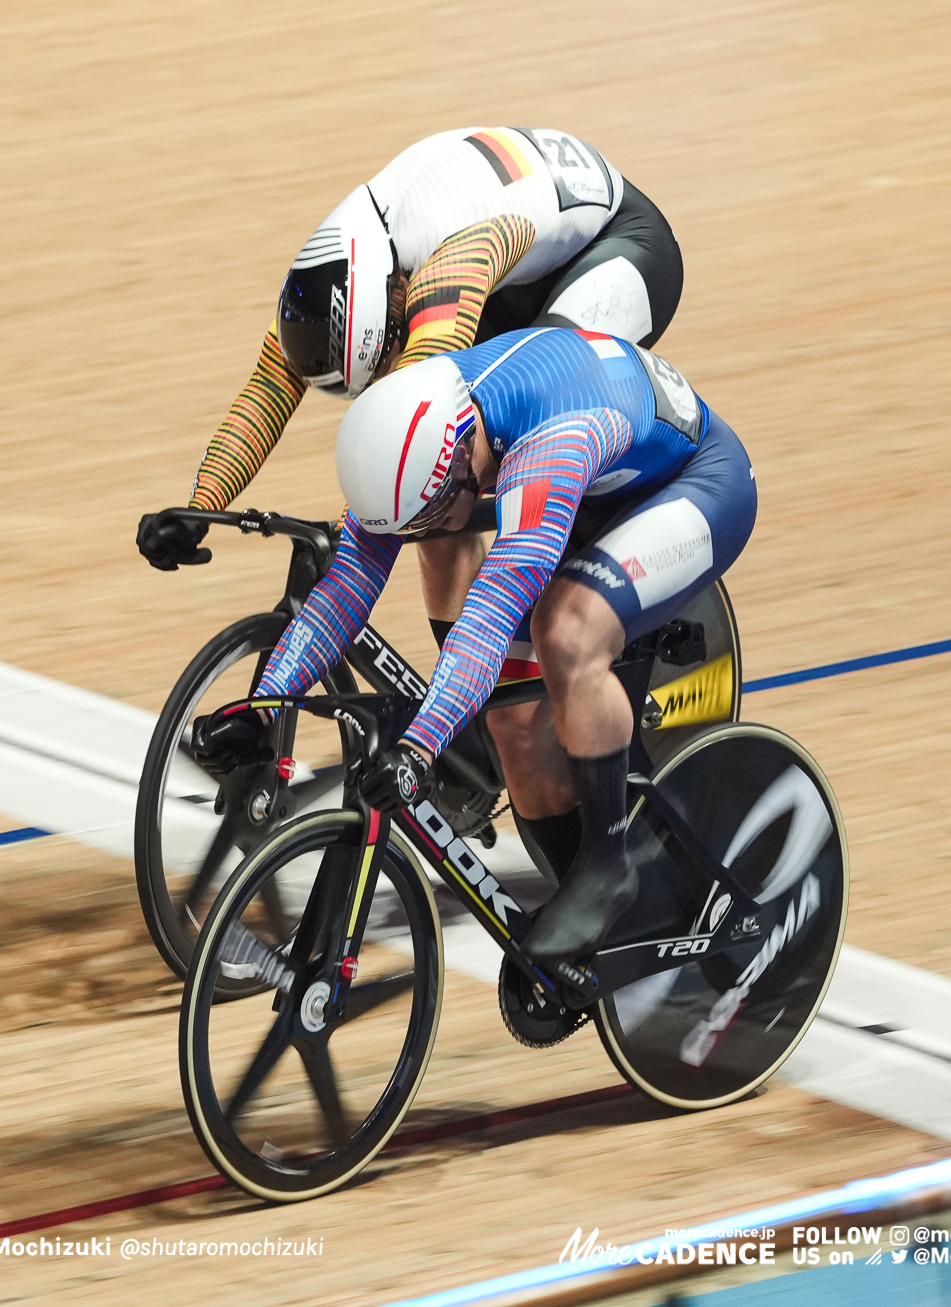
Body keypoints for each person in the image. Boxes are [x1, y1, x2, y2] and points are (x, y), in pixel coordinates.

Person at [191, 325, 754, 997]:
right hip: (600, 491)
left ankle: (609, 865)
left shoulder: (551, 443)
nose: (423, 536)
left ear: (463, 458)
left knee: (565, 629)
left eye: (428, 518)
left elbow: (487, 618)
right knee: (515, 727)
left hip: (698, 484)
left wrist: (420, 749)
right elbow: (344, 588)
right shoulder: (411, 438)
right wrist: (265, 707)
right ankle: (611, 931)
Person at [137, 126, 685, 651]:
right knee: (440, 510)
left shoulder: (448, 263)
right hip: (514, 273)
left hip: (617, 247)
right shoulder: (328, 277)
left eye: (383, 360)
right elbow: (265, 394)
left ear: (397, 298)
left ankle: (609, 603)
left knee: (522, 424)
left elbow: (417, 423)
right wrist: (200, 506)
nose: (379, 378)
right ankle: (477, 713)